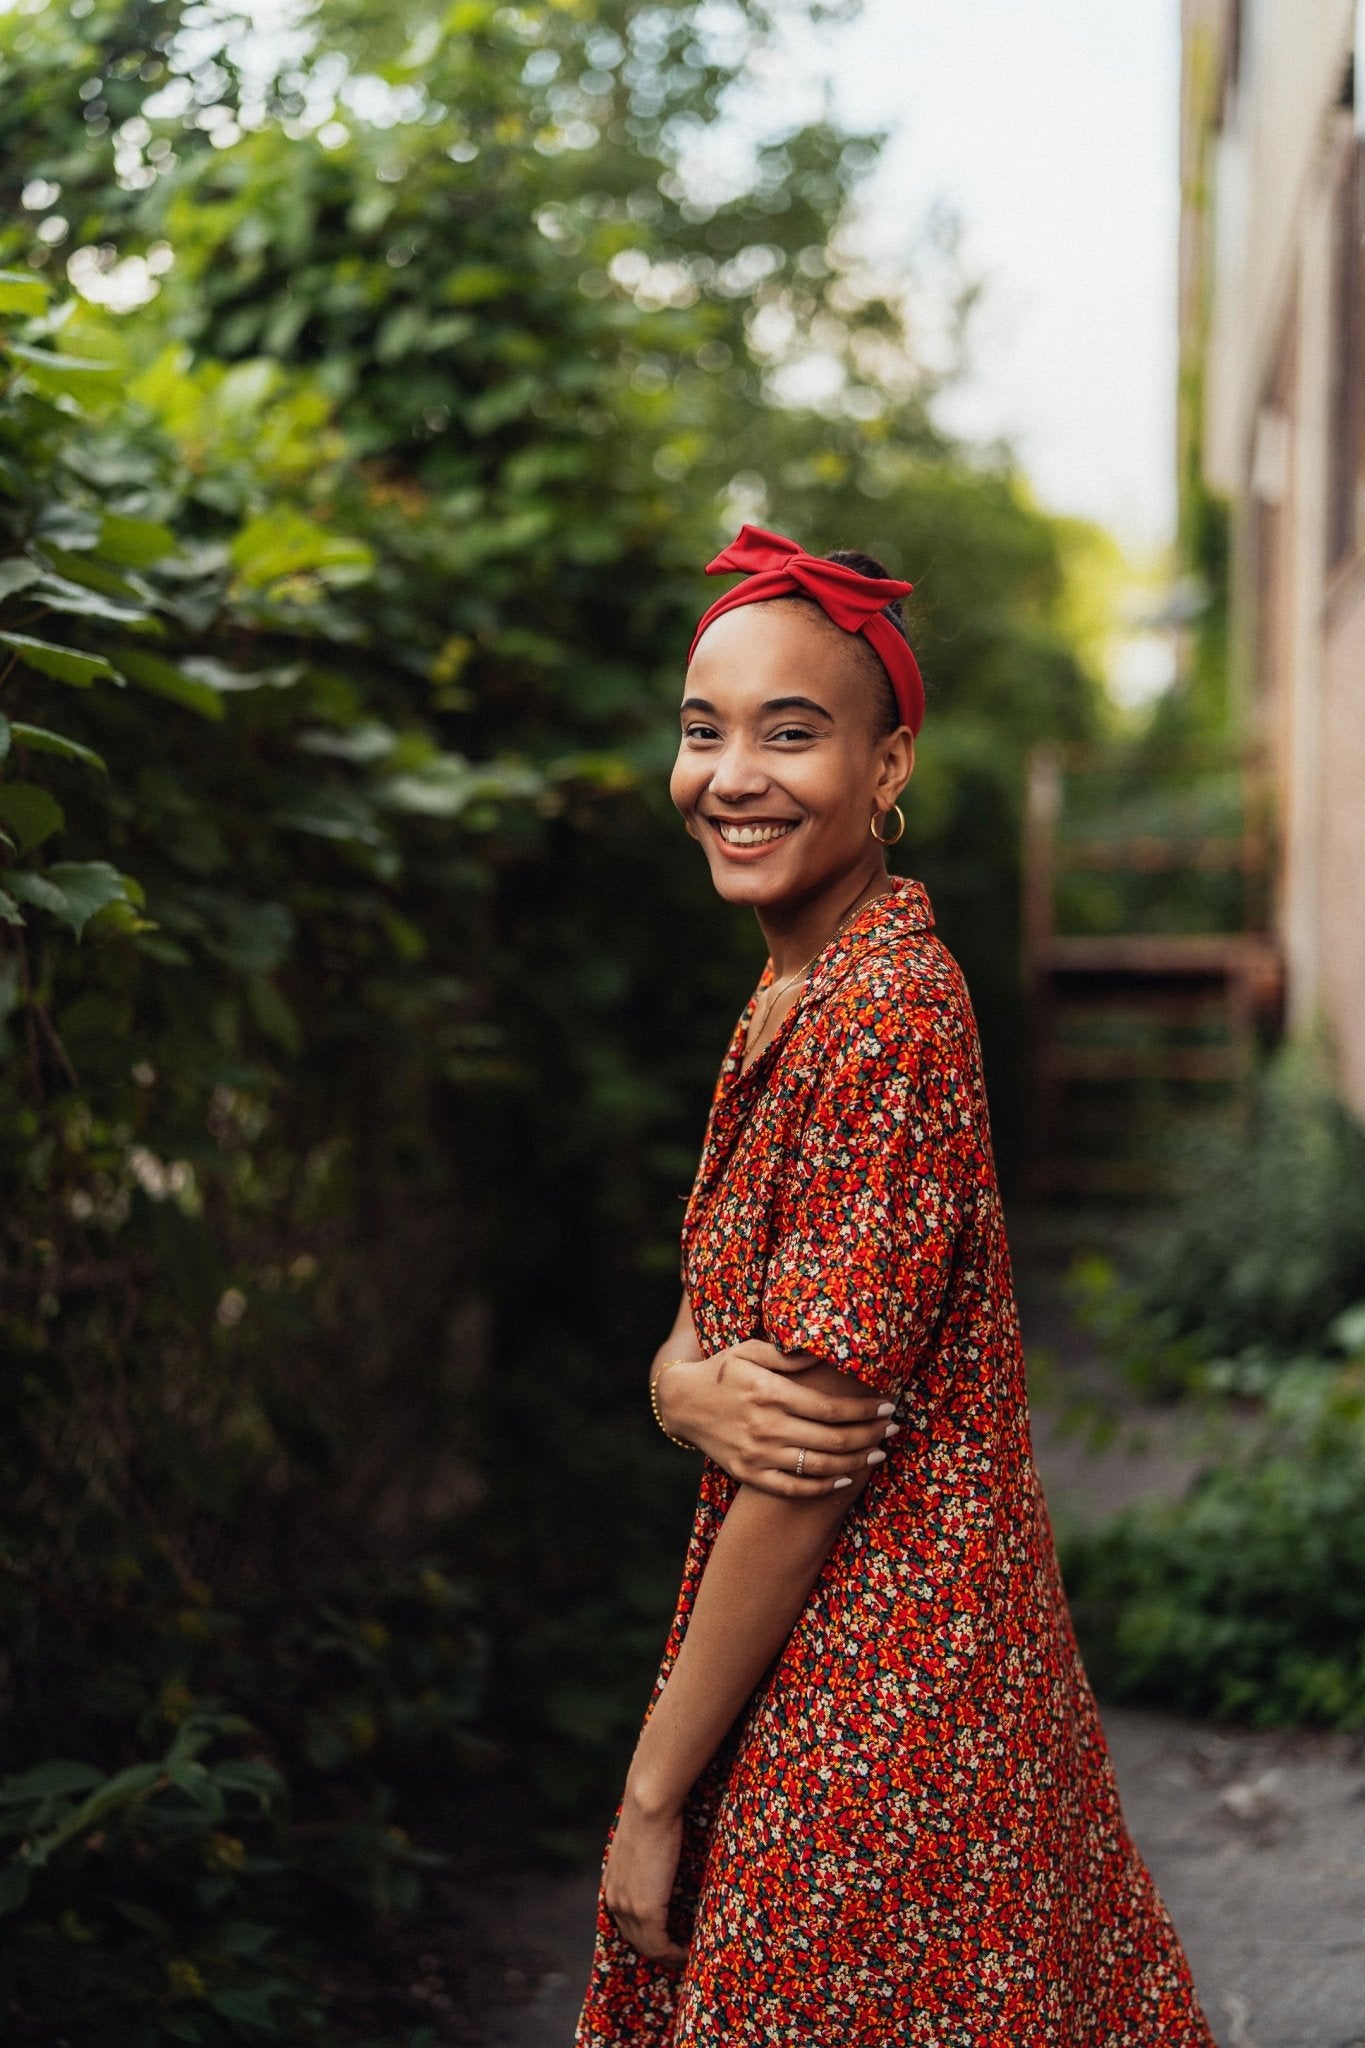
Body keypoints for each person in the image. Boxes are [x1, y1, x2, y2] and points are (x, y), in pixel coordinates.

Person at [574, 525, 1214, 2046]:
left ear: (885, 766)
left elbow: (809, 1454)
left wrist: (651, 1796)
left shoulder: (883, 1018)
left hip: (883, 1695)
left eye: (789, 733)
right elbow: (728, 1316)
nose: (730, 774)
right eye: (701, 729)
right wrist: (675, 1380)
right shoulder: (798, 983)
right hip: (829, 1660)